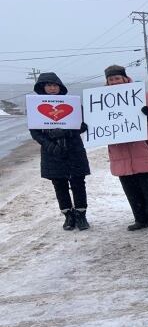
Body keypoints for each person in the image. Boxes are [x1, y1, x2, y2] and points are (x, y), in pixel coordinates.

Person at [103, 65, 148, 233]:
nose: (114, 82)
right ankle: (141, 218)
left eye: (117, 78)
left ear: (125, 78)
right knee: (131, 190)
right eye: (111, 80)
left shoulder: (139, 94)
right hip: (121, 154)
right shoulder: (102, 100)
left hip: (145, 151)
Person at [29, 72, 91, 231]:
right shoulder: (35, 107)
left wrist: (67, 132)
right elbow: (35, 132)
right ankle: (68, 216)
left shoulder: (73, 103)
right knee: (59, 184)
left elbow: (83, 125)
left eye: (54, 85)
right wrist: (50, 145)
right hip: (52, 154)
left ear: (60, 86)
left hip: (74, 150)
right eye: (48, 85)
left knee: (78, 183)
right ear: (42, 87)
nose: (51, 88)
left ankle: (81, 215)